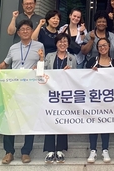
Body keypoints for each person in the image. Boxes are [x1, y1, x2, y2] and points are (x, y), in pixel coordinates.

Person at [0, 19, 44, 164]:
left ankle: (26, 152)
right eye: (22, 29)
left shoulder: (39, 46)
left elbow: (42, 64)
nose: (25, 31)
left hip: (30, 89)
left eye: (28, 29)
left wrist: (40, 62)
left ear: (32, 31)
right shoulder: (13, 47)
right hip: (13, 88)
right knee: (10, 119)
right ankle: (9, 152)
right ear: (18, 33)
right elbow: (6, 63)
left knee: (29, 119)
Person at [42, 33, 76, 163]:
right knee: (50, 119)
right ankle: (50, 150)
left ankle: (60, 149)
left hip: (65, 94)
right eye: (60, 41)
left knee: (62, 119)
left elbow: (76, 77)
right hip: (50, 93)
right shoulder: (49, 56)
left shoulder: (72, 58)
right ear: (56, 44)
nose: (62, 44)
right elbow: (43, 71)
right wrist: (40, 61)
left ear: (68, 44)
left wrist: (70, 72)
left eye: (65, 41)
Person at [86, 37, 113, 163]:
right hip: (94, 98)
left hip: (109, 99)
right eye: (100, 46)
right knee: (93, 124)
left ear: (109, 46)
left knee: (105, 124)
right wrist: (91, 72)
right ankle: (93, 150)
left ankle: (105, 150)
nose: (103, 48)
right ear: (97, 48)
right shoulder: (92, 61)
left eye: (105, 45)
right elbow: (83, 78)